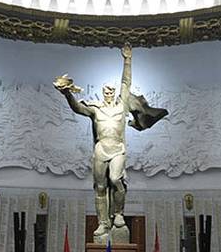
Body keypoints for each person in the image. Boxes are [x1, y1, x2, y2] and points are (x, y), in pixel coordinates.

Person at [55, 45, 167, 241]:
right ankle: (103, 223)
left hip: (117, 149)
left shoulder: (121, 106)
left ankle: (118, 214)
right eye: (106, 90)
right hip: (101, 149)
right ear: (102, 92)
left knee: (115, 179)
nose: (109, 92)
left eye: (111, 90)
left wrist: (127, 60)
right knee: (100, 187)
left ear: (114, 93)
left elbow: (126, 82)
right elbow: (77, 108)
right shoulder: (95, 109)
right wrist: (67, 94)